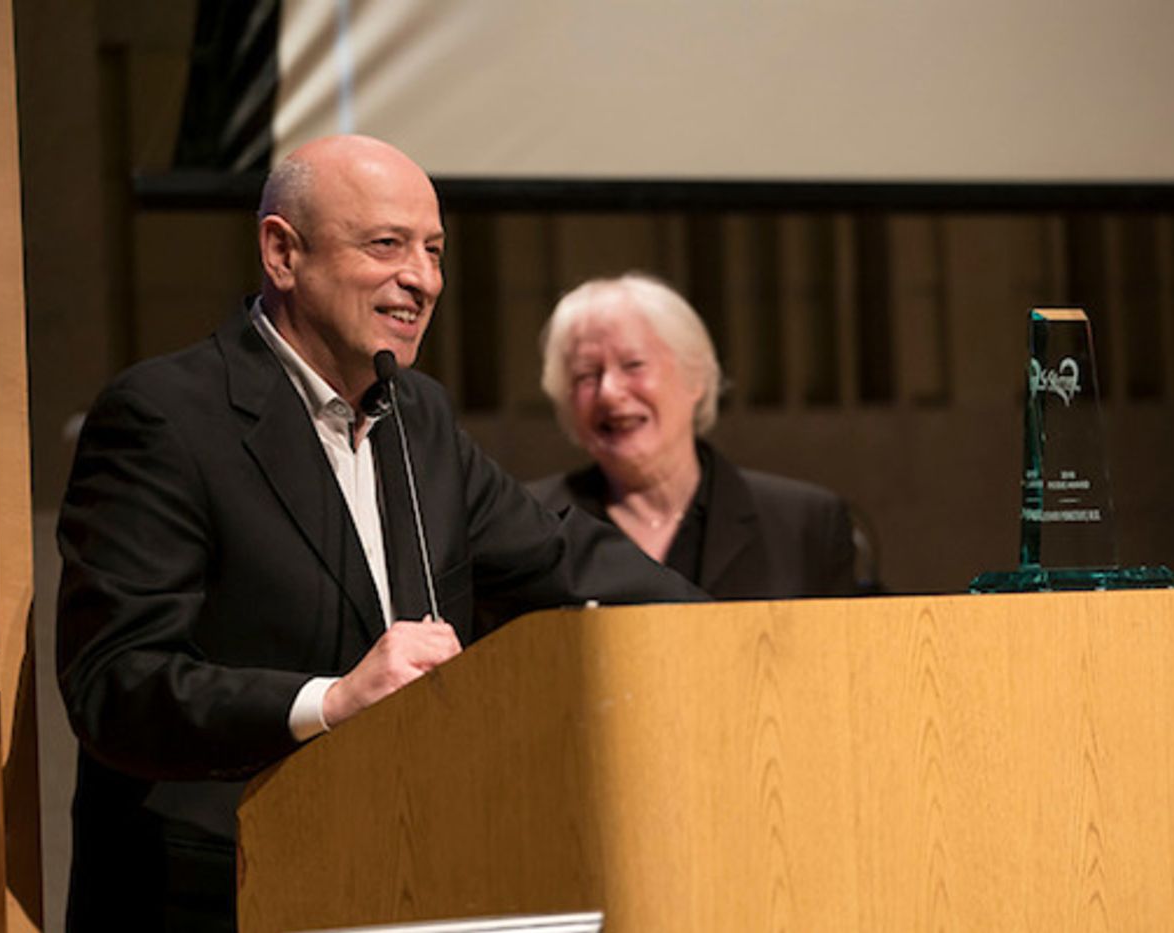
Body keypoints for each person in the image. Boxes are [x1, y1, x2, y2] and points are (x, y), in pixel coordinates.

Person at [55, 137, 703, 931]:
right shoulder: (165, 417)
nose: (422, 279)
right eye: (387, 245)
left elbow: (564, 558)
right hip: (210, 891)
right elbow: (115, 682)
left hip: (400, 881)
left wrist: (733, 636)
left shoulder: (416, 415)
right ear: (282, 252)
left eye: (434, 250)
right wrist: (331, 700)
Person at [529, 272, 857, 600]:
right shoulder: (531, 528)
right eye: (587, 374)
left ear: (694, 377)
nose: (609, 392)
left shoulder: (805, 524)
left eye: (633, 365)